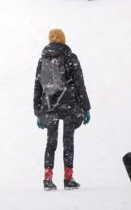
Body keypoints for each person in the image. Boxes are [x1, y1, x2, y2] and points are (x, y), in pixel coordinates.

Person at [33, 29, 91, 191]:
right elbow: (80, 84)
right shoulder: (71, 58)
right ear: (63, 40)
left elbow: (38, 86)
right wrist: (86, 108)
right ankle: (68, 177)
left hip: (49, 106)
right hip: (69, 105)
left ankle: (47, 179)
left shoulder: (43, 59)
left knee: (51, 143)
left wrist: (38, 111)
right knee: (68, 142)